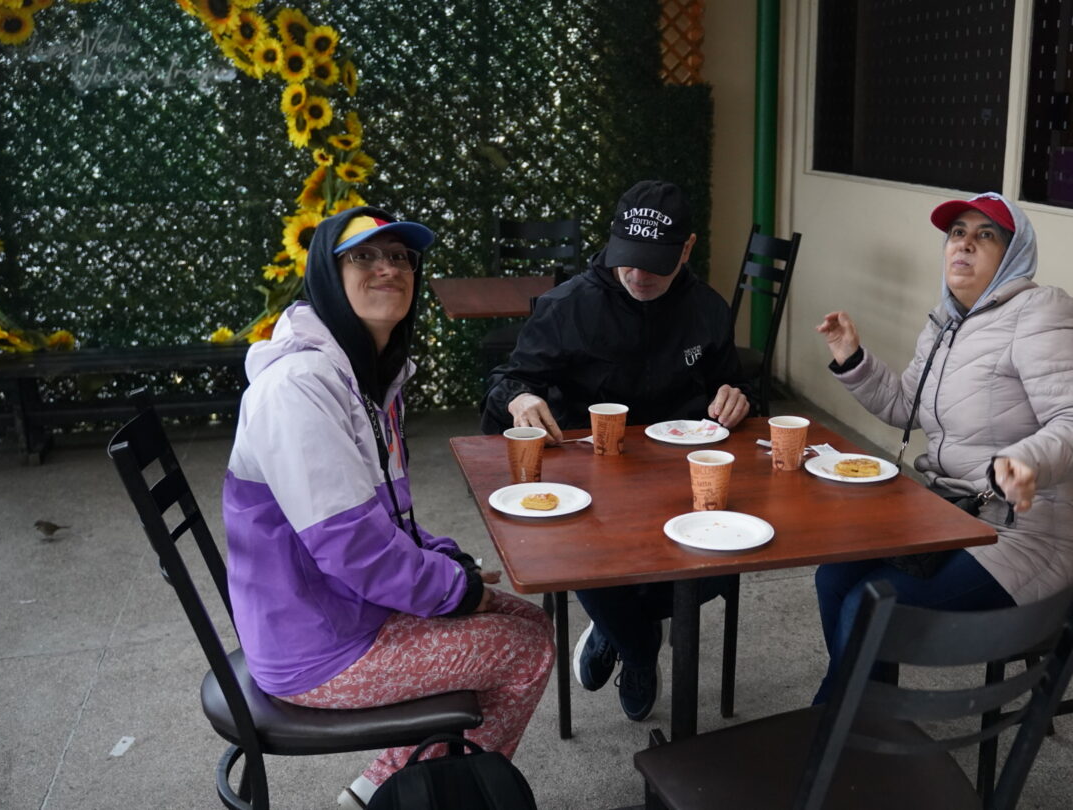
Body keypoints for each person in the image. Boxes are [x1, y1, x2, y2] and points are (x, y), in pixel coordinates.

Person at [222, 207, 554, 809]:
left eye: (400, 257)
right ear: (327, 273)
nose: (387, 269)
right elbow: (356, 548)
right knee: (525, 649)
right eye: (364, 257)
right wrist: (457, 592)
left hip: (342, 611)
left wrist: (446, 560)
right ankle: (425, 795)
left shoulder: (363, 374)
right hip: (318, 647)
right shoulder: (299, 387)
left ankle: (388, 790)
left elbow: (381, 520)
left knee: (532, 621)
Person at [480, 180, 755, 722]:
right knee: (573, 556)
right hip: (589, 479)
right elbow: (505, 380)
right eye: (628, 260)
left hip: (680, 473)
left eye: (654, 263)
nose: (637, 275)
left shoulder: (707, 309)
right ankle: (637, 647)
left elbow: (736, 388)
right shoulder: (567, 306)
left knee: (727, 566)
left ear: (687, 247)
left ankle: (615, 626)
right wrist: (522, 397)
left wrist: (736, 397)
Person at [811, 192, 1073, 704]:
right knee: (835, 576)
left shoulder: (1042, 310)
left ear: (1012, 254)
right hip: (955, 516)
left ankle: (836, 738)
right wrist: (852, 358)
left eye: (984, 235)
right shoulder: (946, 322)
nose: (964, 244)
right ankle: (860, 723)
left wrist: (1025, 460)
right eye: (956, 233)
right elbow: (908, 407)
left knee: (868, 604)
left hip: (1024, 535)